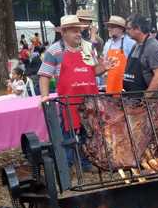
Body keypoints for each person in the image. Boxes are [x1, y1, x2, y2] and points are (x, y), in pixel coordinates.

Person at [38, 15, 115, 172]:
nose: (79, 34)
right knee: (68, 133)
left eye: (79, 31)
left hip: (90, 99)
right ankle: (66, 166)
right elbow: (44, 75)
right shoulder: (54, 51)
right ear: (64, 32)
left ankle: (86, 163)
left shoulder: (88, 48)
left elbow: (94, 72)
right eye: (74, 31)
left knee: (89, 131)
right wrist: (44, 96)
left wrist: (104, 67)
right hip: (68, 101)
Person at [123, 14, 158, 92]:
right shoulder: (136, 45)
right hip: (131, 97)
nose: (126, 31)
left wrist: (146, 99)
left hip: (144, 100)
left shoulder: (152, 47)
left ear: (138, 29)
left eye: (129, 29)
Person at [102, 15, 136, 94]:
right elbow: (104, 64)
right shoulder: (108, 44)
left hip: (125, 86)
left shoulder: (130, 43)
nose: (109, 29)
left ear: (121, 29)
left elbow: (134, 66)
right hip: (110, 85)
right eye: (109, 27)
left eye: (112, 27)